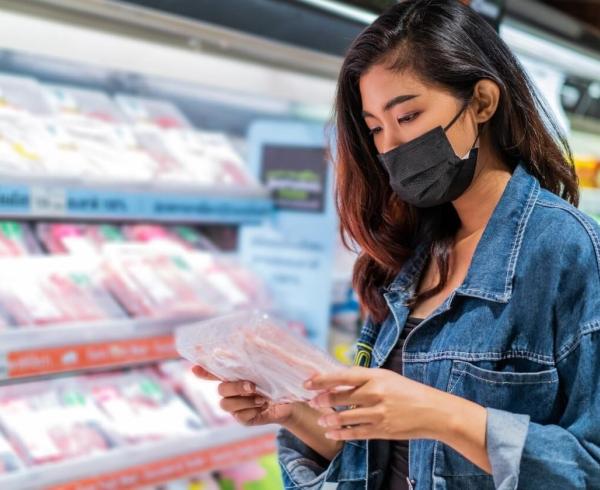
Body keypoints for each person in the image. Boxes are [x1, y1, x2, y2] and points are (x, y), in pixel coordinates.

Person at [193, 0, 600, 488]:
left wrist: (441, 416)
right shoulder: (409, 256)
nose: (390, 146)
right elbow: (383, 459)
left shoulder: (567, 251)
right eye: (375, 128)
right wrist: (294, 414)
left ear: (483, 102)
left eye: (407, 115)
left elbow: (588, 465)